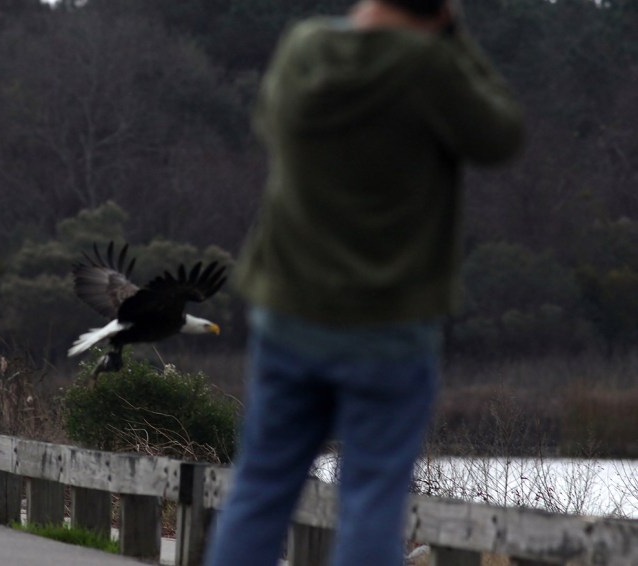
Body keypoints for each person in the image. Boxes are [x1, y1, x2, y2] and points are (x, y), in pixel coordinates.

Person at [205, 0, 524, 564]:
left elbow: (266, 122)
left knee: (259, 490)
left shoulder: (305, 48)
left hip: (290, 310)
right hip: (390, 321)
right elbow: (501, 134)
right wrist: (452, 35)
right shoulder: (430, 67)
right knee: (372, 502)